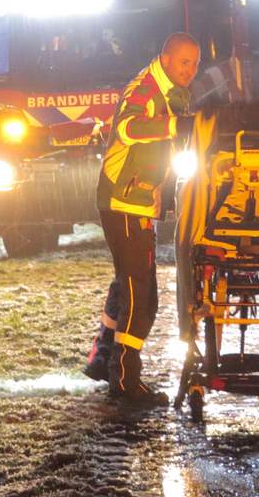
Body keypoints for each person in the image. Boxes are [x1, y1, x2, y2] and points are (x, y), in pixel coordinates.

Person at [82, 32, 199, 404]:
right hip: (124, 200)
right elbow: (127, 128)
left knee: (128, 284)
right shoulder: (144, 89)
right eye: (184, 62)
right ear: (165, 58)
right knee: (141, 293)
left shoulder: (175, 92)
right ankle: (127, 381)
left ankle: (103, 360)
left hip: (138, 200)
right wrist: (173, 127)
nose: (191, 71)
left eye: (195, 64)